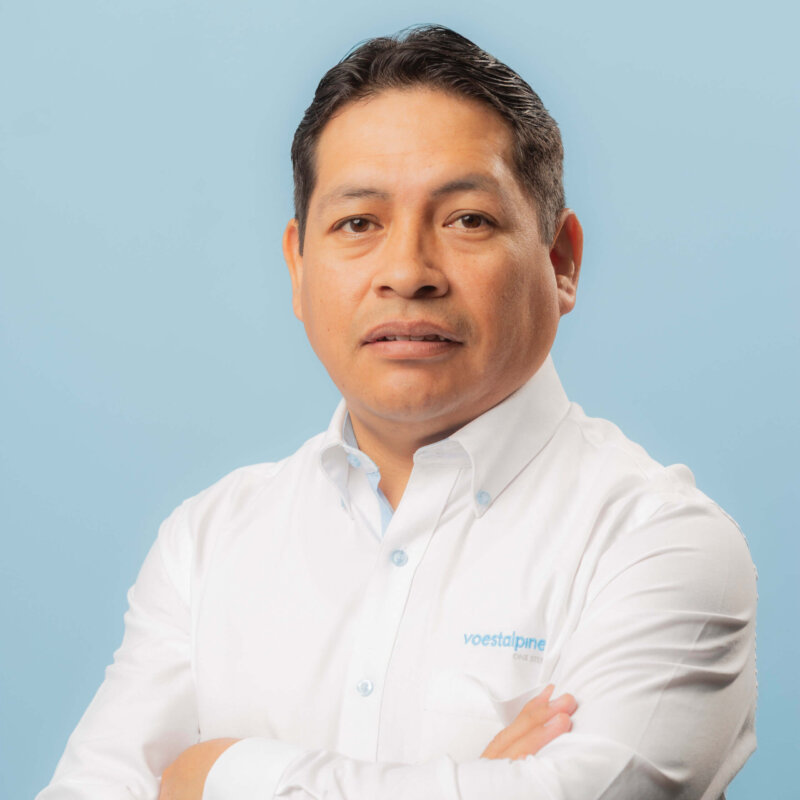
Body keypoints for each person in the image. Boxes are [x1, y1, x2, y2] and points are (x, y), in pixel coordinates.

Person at [37, 24, 757, 800]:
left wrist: (215, 775)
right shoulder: (206, 545)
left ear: (561, 261)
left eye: (467, 220)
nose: (407, 272)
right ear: (299, 266)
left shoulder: (661, 543)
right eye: (358, 223)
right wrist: (476, 782)